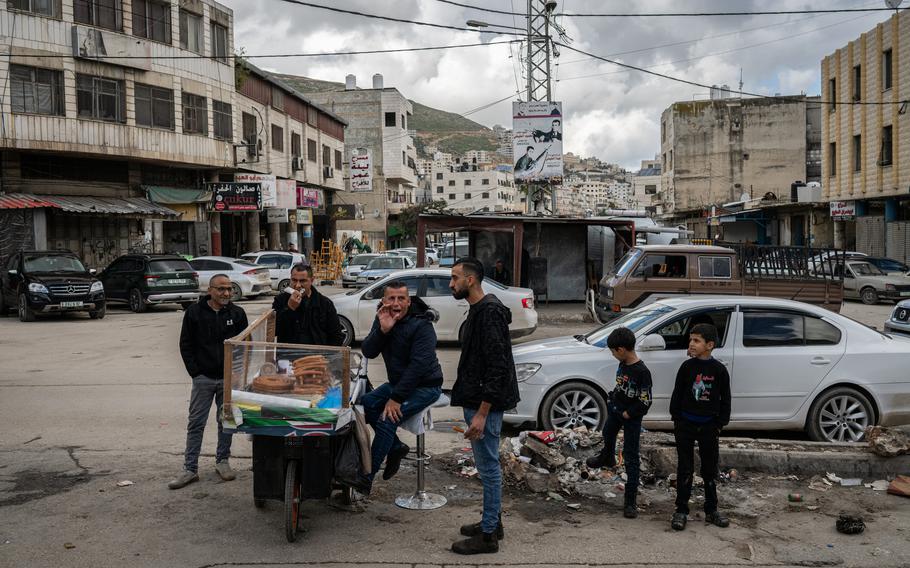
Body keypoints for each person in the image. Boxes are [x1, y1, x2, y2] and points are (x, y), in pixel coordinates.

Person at [449, 257, 520, 555]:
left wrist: (481, 412)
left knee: (489, 467)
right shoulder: (481, 309)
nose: (451, 283)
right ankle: (493, 522)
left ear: (471, 280)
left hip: (483, 404)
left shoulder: (489, 312)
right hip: (476, 398)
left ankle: (489, 536)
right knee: (486, 465)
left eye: (455, 278)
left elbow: (497, 366)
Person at [359, 281, 444, 492]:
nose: (396, 303)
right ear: (384, 301)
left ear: (408, 301)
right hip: (399, 383)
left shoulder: (422, 324)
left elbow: (418, 366)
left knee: (387, 419)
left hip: (426, 386)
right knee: (365, 403)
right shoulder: (383, 317)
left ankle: (366, 479)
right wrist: (383, 330)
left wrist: (395, 398)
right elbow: (368, 351)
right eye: (391, 298)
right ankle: (396, 447)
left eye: (401, 298)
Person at [170, 274, 249, 489]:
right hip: (203, 378)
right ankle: (190, 468)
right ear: (210, 290)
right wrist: (196, 373)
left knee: (226, 422)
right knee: (196, 423)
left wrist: (236, 374)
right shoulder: (194, 313)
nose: (226, 293)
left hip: (228, 378)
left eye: (229, 289)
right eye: (221, 289)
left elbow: (245, 346)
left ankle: (222, 462)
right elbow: (185, 345)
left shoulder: (237, 313)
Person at [668, 323, 731, 531]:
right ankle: (681, 510)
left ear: (710, 345)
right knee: (685, 468)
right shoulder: (687, 367)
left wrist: (719, 424)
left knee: (709, 470)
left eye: (697, 340)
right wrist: (677, 419)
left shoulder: (719, 370)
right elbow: (677, 394)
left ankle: (711, 510)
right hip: (685, 424)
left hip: (708, 427)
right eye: (690, 340)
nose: (691, 344)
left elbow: (726, 400)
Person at [585, 327, 652, 518]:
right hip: (616, 410)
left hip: (631, 417)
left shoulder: (642, 372)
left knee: (631, 456)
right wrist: (613, 398)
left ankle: (630, 501)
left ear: (621, 349)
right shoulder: (622, 364)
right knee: (607, 433)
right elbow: (621, 385)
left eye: (613, 351)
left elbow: (646, 400)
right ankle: (607, 456)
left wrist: (629, 413)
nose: (613, 355)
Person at [272, 263, 344, 346]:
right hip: (288, 355)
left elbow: (336, 336)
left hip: (317, 355)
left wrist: (326, 355)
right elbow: (274, 331)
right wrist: (289, 308)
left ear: (311, 280)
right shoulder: (280, 300)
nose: (298, 285)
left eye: (303, 281)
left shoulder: (325, 303)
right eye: (294, 280)